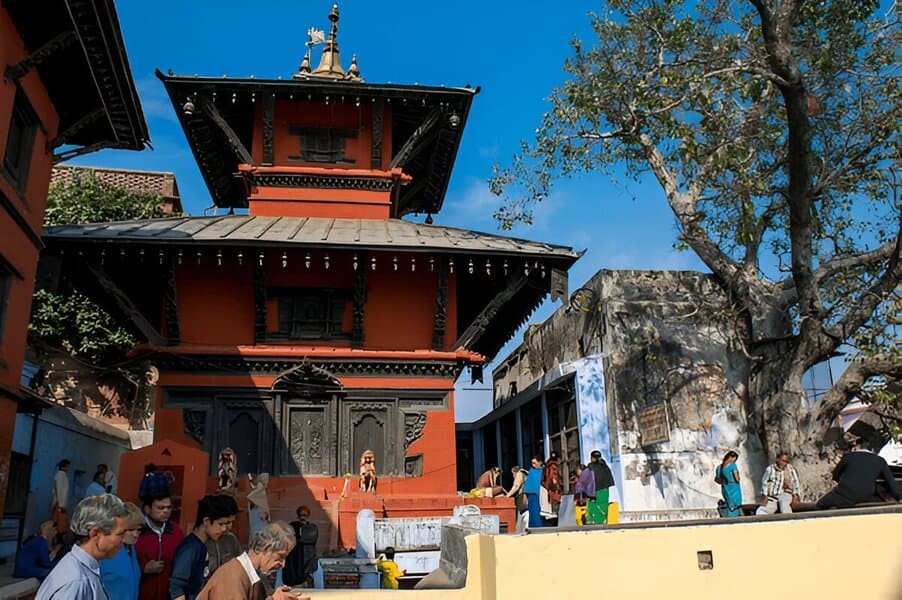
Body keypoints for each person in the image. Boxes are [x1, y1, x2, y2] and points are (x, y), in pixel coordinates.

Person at [35, 494, 129, 600]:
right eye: (120, 534)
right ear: (95, 534)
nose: (124, 540)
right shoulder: (76, 582)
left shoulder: (83, 569)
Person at [196, 521, 305, 600]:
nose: (283, 564)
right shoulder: (232, 577)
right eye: (281, 556)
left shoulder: (251, 576)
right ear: (267, 548)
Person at [169, 495, 234, 600]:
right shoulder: (190, 548)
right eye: (220, 524)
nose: (223, 529)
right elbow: (176, 587)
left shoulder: (201, 546)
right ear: (206, 521)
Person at [816, 438, 901, 509]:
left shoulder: (848, 456)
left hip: (844, 493)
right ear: (872, 449)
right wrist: (898, 498)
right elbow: (892, 486)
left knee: (820, 504)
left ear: (858, 446)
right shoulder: (880, 461)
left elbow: (835, 475)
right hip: (865, 496)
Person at [136, 487, 185, 600]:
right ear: (147, 509)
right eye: (160, 508)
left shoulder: (176, 531)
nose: (166, 511)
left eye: (168, 507)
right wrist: (143, 568)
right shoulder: (136, 531)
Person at [100, 502, 143, 600]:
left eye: (139, 530)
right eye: (131, 530)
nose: (136, 534)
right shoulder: (104, 552)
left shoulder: (131, 549)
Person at [283, 505, 318, 588]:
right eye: (301, 515)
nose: (302, 518)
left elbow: (308, 539)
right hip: (295, 560)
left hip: (308, 558)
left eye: (304, 515)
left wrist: (300, 534)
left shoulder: (312, 528)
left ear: (308, 516)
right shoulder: (293, 526)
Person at [206, 495, 241, 576]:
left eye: (232, 522)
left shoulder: (231, 539)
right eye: (227, 522)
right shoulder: (203, 541)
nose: (229, 527)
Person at [587, 450, 614, 525]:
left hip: (596, 490)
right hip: (605, 489)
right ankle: (603, 520)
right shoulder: (605, 466)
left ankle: (594, 521)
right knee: (603, 505)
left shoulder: (591, 467)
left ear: (592, 458)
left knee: (593, 504)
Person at [715, 450, 742, 517]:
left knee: (729, 503)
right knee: (737, 506)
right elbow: (737, 478)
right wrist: (738, 474)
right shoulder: (733, 466)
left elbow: (716, 479)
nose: (734, 461)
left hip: (725, 488)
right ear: (731, 457)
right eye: (734, 459)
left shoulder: (719, 467)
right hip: (734, 488)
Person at [523, 455, 545, 528]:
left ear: (540, 463)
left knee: (540, 512)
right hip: (531, 495)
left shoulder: (543, 471)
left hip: (540, 494)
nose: (533, 465)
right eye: (532, 463)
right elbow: (528, 483)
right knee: (533, 513)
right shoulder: (531, 471)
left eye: (535, 463)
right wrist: (525, 495)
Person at [247, 473, 271, 539]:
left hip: (258, 512)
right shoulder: (260, 487)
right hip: (258, 512)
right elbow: (250, 497)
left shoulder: (261, 487)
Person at [51, 459, 71, 535]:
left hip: (61, 504)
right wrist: (61, 505)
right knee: (60, 524)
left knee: (61, 524)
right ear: (63, 467)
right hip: (59, 504)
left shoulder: (63, 475)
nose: (68, 468)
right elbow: (59, 490)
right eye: (67, 467)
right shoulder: (60, 475)